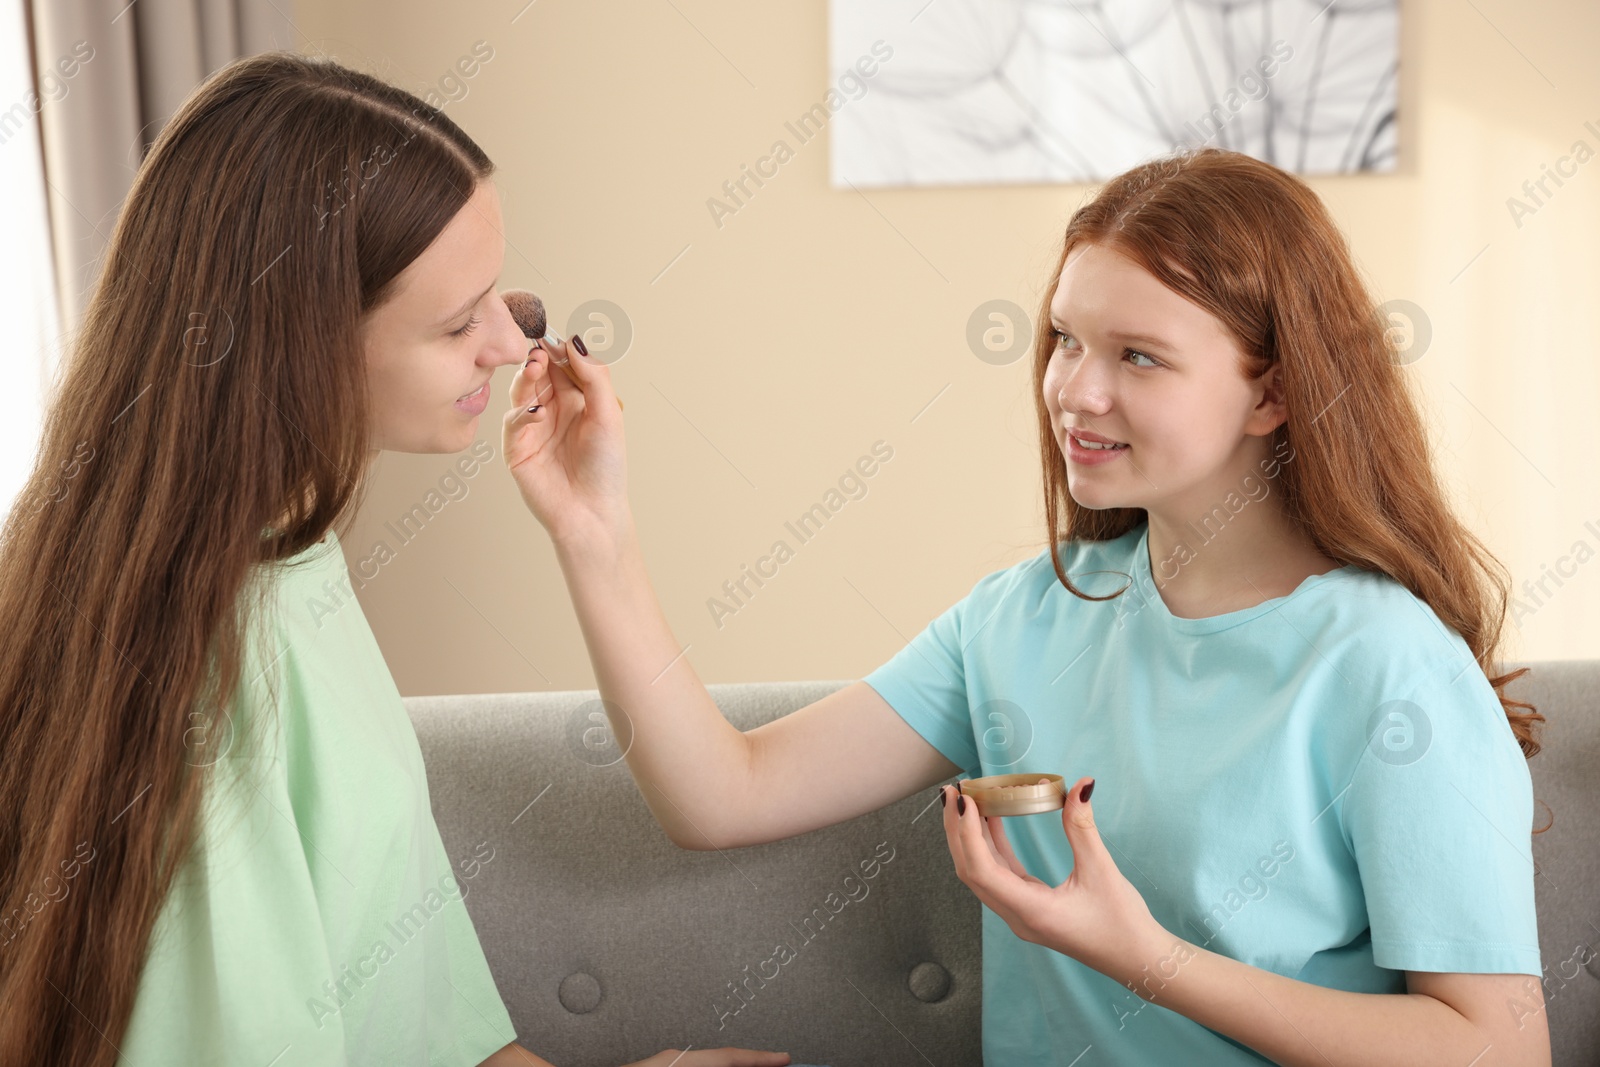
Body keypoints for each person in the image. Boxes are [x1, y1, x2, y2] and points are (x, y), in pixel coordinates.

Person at [505, 147, 1555, 1065]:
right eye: (1064, 339)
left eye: (1136, 355)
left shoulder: (1385, 660)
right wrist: (594, 535)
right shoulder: (1024, 615)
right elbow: (721, 796)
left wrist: (1143, 956)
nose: (1074, 391)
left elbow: (1494, 1046)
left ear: (1271, 393)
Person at [0, 51, 792, 1067]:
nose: (509, 344)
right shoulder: (215, 674)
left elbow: (425, 1023)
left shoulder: (285, 559)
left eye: (500, 299)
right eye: (459, 322)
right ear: (306, 346)